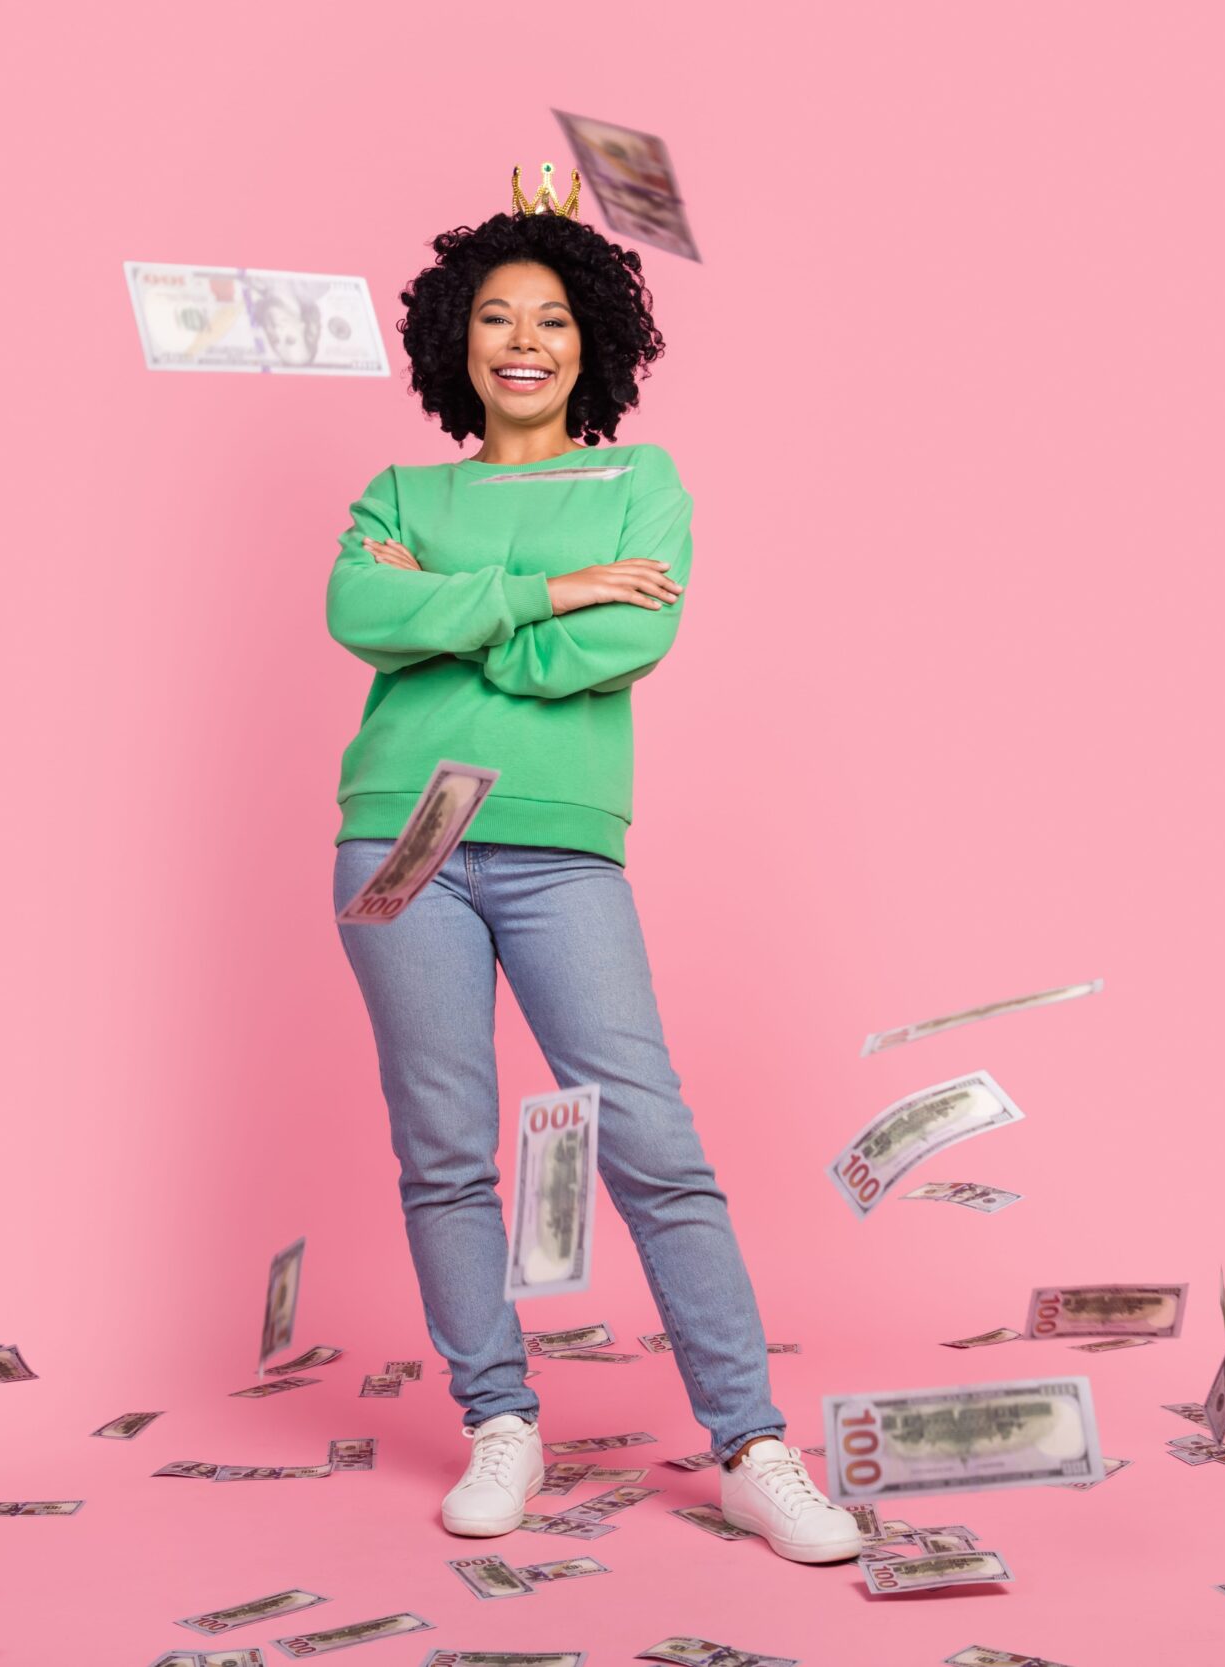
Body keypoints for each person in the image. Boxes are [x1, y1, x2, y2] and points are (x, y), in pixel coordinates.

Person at [321, 167, 863, 1565]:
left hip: (561, 852)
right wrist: (546, 592)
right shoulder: (400, 487)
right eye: (496, 316)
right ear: (455, 338)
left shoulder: (641, 481)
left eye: (553, 319)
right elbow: (357, 609)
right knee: (443, 1149)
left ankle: (750, 1449)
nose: (524, 341)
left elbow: (626, 642)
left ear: (591, 343)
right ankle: (501, 1421)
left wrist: (455, 624)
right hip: (400, 840)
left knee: (652, 1141)